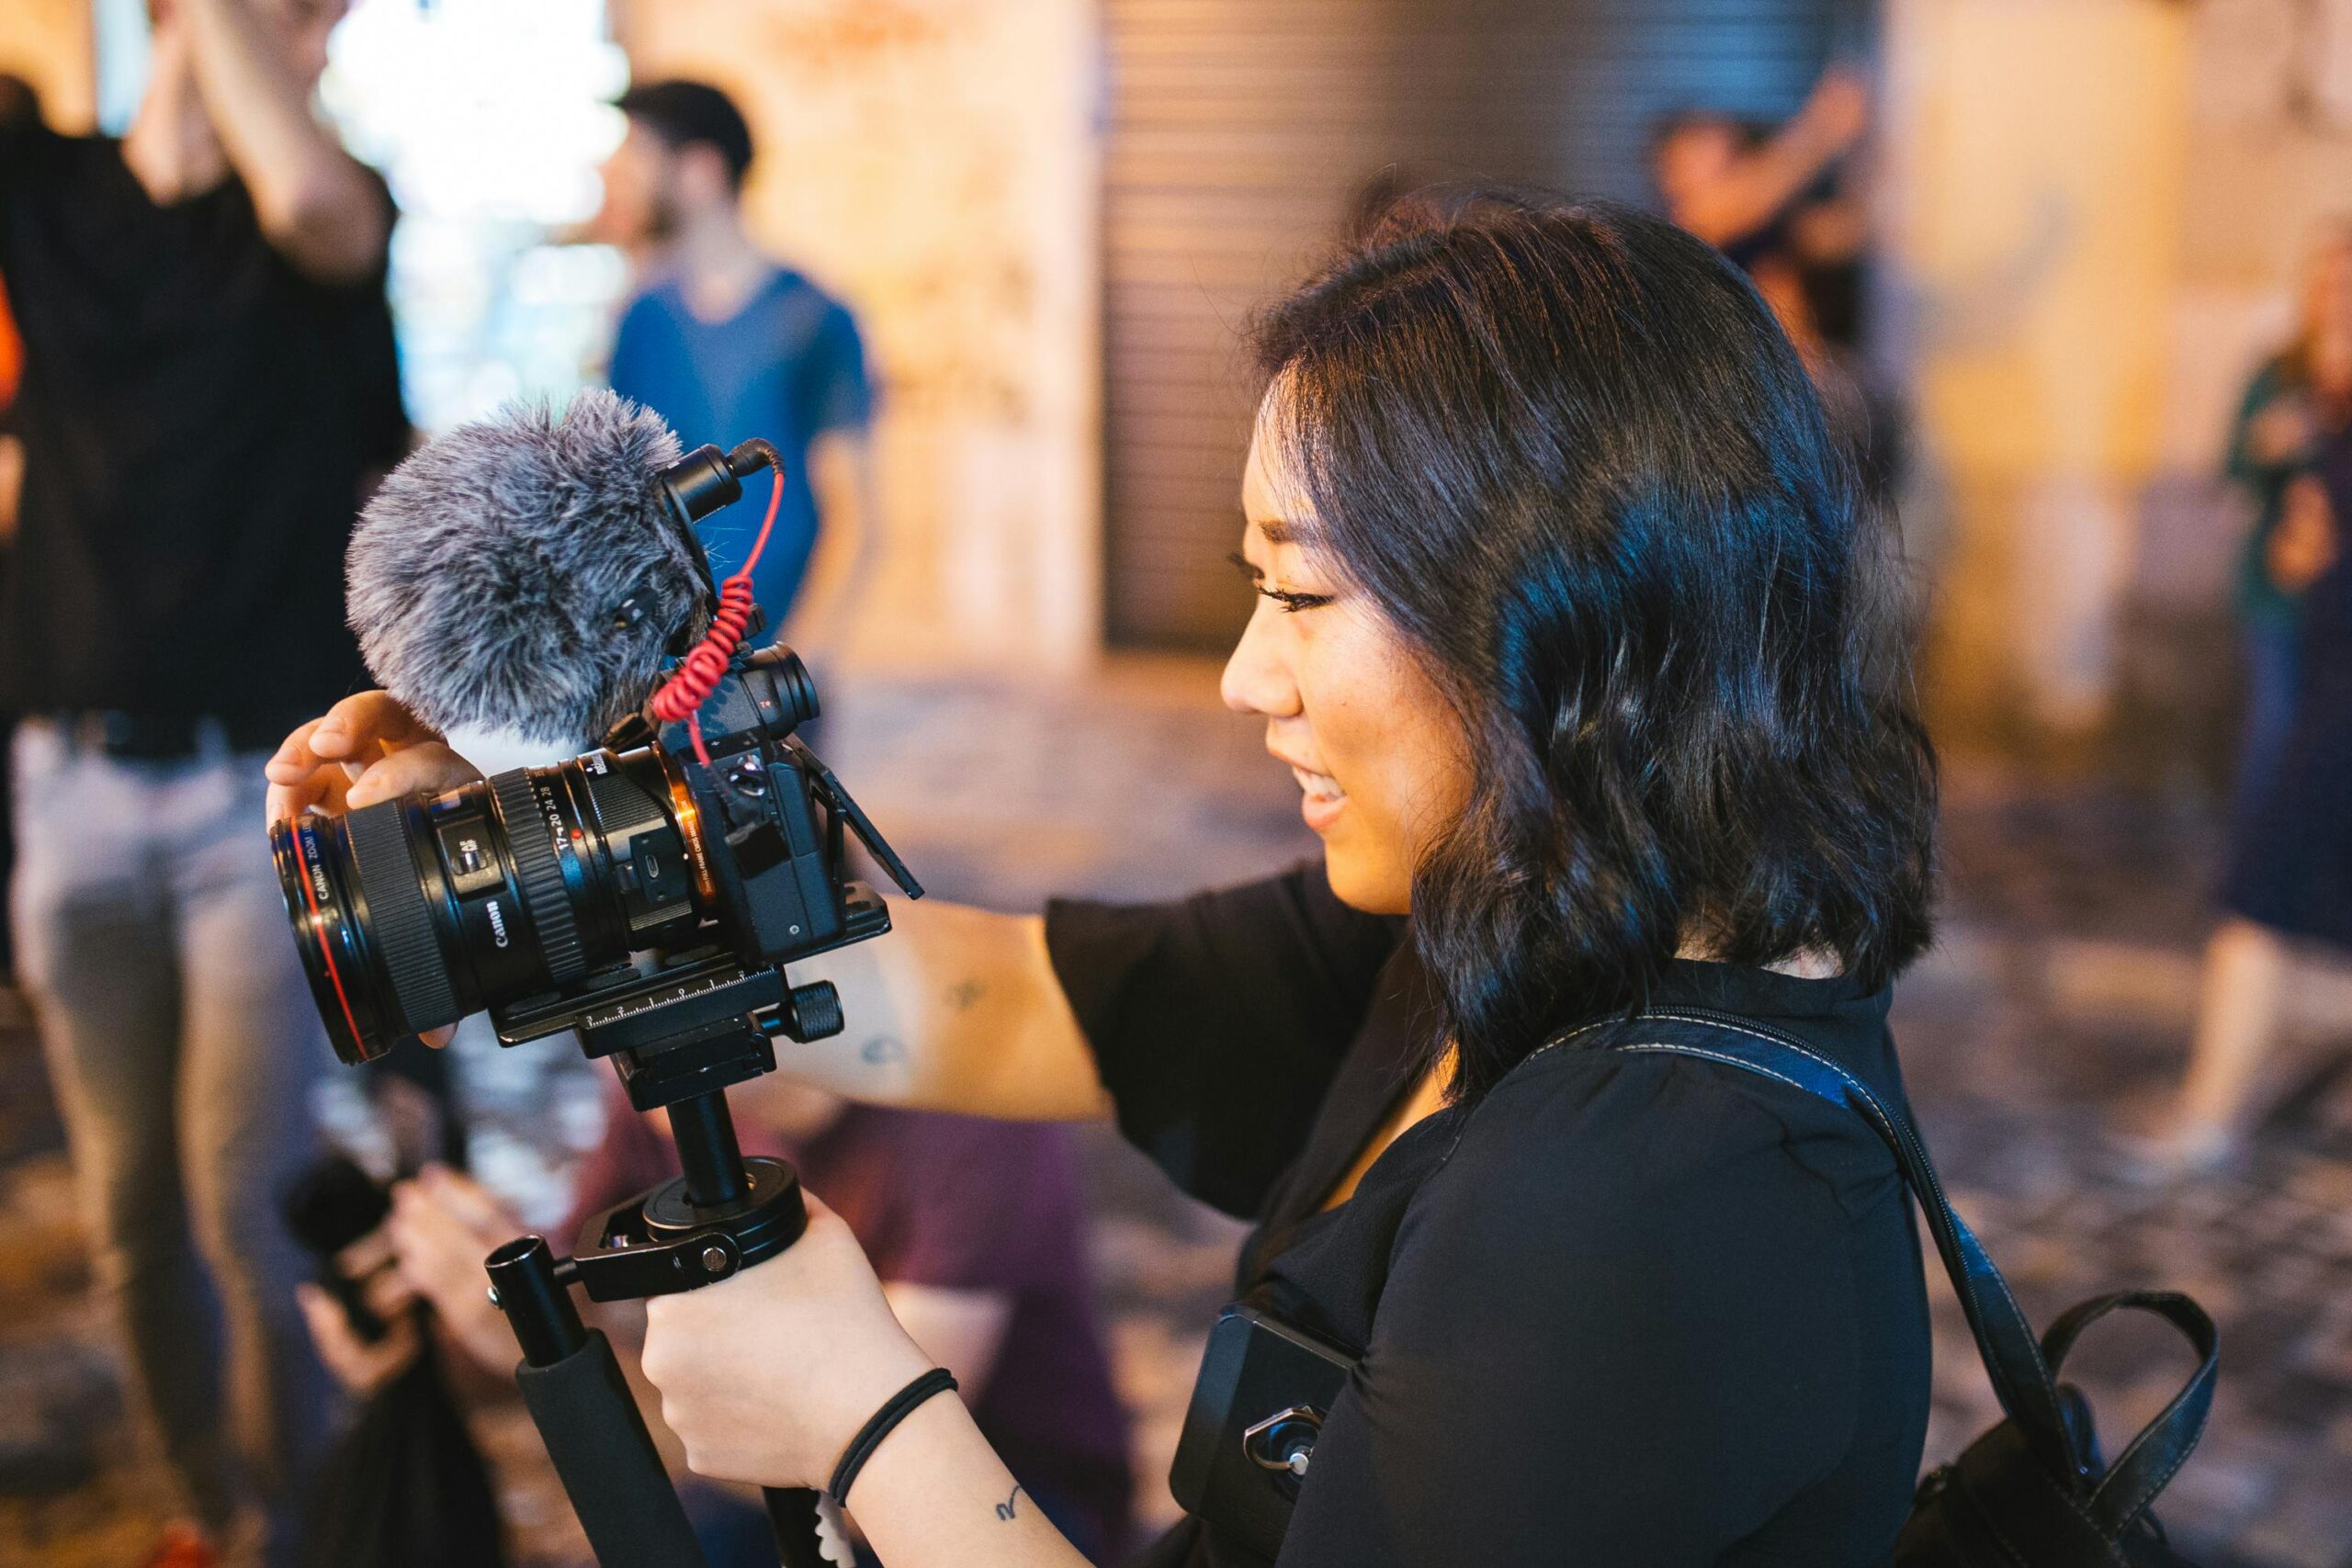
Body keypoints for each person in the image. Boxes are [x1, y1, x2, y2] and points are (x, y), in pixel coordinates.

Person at [269, 193, 1939, 1564]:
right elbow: (1006, 1002)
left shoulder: (1653, 1201)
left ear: (1557, 617)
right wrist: (537, 829)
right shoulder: (1522, 918)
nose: (1241, 677)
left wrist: (866, 1418)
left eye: (1300, 596)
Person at [0, 0, 407, 1561]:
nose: (315, 48)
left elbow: (314, 205)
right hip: (73, 783)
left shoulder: (322, 215)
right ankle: (202, 1502)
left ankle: (285, 1534)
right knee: (125, 1215)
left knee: (246, 1199)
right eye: (307, 14)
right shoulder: (48, 191)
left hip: (260, 793)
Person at [300, 1077, 1135, 1564]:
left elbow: (860, 1485)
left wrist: (557, 1357)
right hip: (782, 1486)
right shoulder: (661, 1085)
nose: (611, 1057)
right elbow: (571, 1298)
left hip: (1011, 1503)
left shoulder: (966, 1120)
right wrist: (433, 1334)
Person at [2154, 243, 2352, 1168]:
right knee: (2264, 875)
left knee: (2261, 885)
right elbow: (2285, 533)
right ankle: (2210, 1113)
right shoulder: (2295, 386)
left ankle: (2210, 1116)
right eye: (2327, 288)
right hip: (2314, 654)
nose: (2334, 307)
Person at [595, 79, 876, 653]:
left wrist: (810, 653)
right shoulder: (640, 317)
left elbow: (856, 507)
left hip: (772, 656)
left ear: (701, 170)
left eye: (638, 158)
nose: (617, 176)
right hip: (662, 662)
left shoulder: (811, 314)